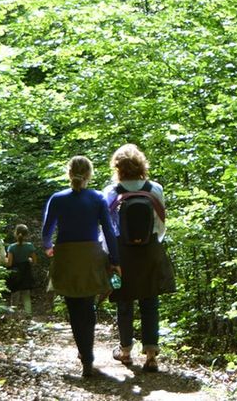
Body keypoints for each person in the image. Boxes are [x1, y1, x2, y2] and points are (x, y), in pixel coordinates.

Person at [42, 155, 122, 379]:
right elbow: (108, 231)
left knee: (74, 307)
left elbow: (47, 232)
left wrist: (48, 248)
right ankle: (87, 356)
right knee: (88, 306)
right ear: (89, 174)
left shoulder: (57, 199)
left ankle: (85, 357)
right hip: (90, 256)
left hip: (67, 256)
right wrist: (115, 260)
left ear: (69, 173)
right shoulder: (97, 198)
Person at [103, 144, 175, 373]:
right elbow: (161, 225)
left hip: (122, 253)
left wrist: (110, 255)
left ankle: (125, 352)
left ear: (117, 167)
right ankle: (151, 355)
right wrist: (152, 242)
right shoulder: (155, 188)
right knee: (150, 301)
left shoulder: (110, 192)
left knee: (124, 300)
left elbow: (106, 228)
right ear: (142, 164)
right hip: (150, 250)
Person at [5, 224, 38, 315]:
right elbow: (34, 261)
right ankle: (28, 314)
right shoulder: (29, 246)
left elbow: (9, 263)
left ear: (15, 234)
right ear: (26, 234)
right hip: (26, 272)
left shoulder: (11, 247)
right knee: (26, 294)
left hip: (15, 273)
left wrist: (4, 261)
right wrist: (29, 260)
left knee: (15, 294)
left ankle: (13, 315)